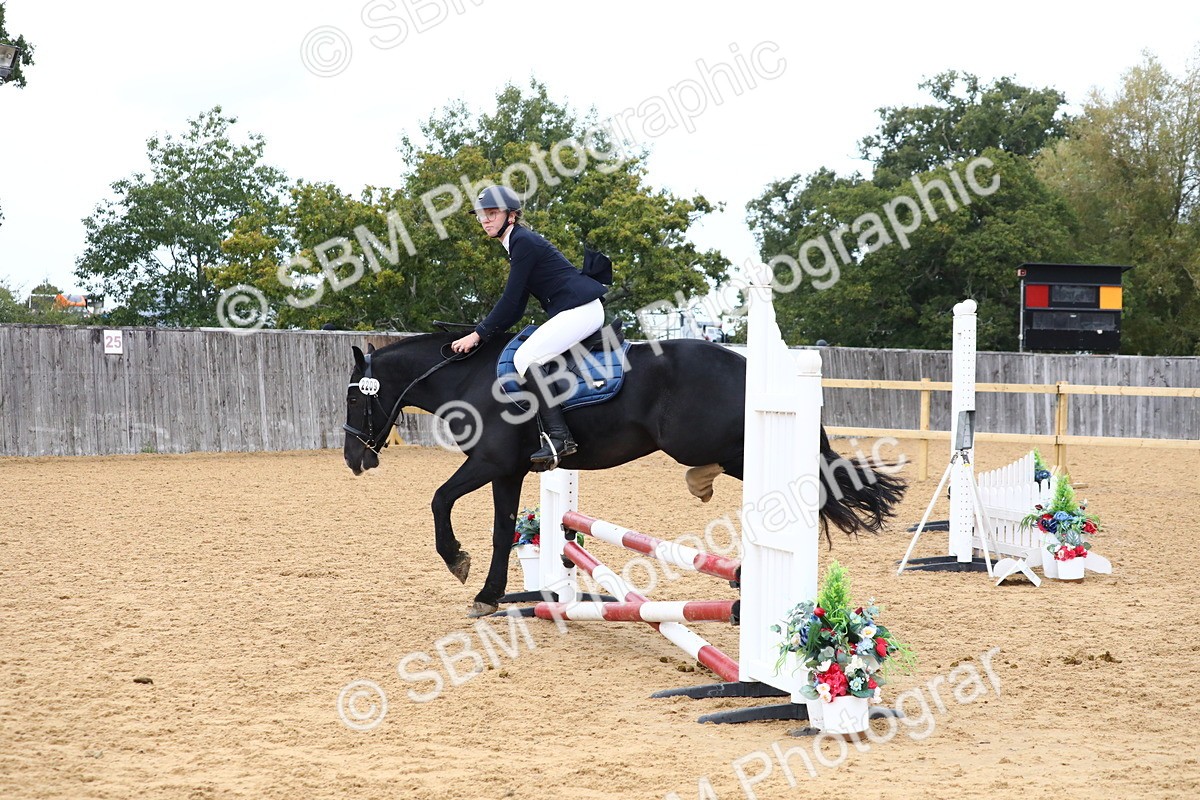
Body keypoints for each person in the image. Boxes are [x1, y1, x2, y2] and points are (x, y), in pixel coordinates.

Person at [450, 186, 607, 467]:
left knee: (525, 357)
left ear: (511, 216)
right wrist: (485, 331)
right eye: (481, 216)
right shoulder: (517, 243)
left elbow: (510, 302)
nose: (485, 220)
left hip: (582, 310)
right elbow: (517, 307)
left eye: (491, 214)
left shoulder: (522, 242)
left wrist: (477, 335)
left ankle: (560, 437)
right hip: (578, 309)